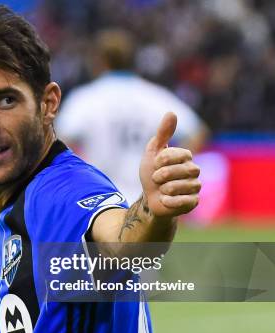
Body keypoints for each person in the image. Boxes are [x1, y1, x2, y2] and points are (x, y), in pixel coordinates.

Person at [0, 6, 201, 333]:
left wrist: (153, 210)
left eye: (5, 100)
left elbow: (122, 243)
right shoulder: (17, 212)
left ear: (48, 103)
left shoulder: (58, 192)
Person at [56, 28, 209, 204]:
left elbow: (60, 141)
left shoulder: (85, 98)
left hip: (100, 199)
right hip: (146, 200)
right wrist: (169, 173)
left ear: (100, 60)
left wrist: (79, 176)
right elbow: (197, 132)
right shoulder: (153, 95)